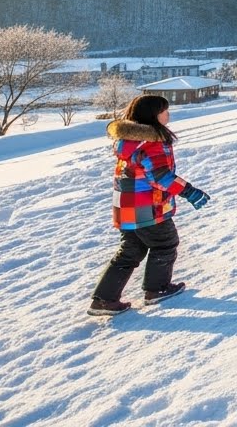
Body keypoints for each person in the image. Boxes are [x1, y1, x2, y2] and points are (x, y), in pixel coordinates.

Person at [88, 94, 210, 316]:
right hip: (149, 207)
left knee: (130, 250)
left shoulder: (129, 140)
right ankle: (157, 289)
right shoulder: (152, 142)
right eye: (164, 110)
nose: (168, 114)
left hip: (126, 207)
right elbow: (161, 177)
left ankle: (104, 299)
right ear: (154, 115)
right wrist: (189, 191)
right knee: (165, 243)